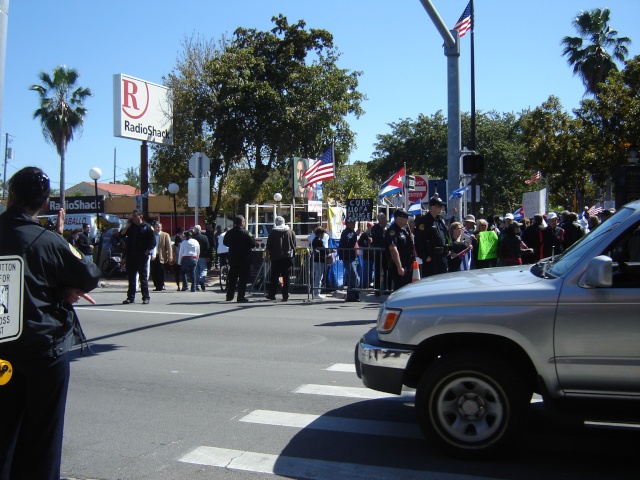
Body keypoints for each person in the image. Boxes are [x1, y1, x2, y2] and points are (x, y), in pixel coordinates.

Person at [0, 166, 101, 480]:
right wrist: (62, 287)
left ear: (10, 195)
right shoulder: (48, 240)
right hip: (44, 352)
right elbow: (89, 273)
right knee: (44, 435)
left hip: (4, 355)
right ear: (43, 204)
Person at [120, 209, 156, 304]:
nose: (133, 218)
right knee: (131, 278)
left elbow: (153, 242)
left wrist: (147, 251)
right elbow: (122, 234)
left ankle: (145, 297)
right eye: (132, 216)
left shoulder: (147, 227)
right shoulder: (131, 227)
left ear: (140, 216)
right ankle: (130, 297)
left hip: (142, 256)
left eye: (135, 216)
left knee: (143, 278)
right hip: (131, 256)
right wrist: (127, 226)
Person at [415, 196, 451, 277]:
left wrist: (449, 249)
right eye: (440, 207)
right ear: (433, 207)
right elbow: (419, 240)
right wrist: (425, 256)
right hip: (431, 258)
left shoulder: (439, 221)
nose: (441, 209)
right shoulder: (423, 221)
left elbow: (446, 236)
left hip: (442, 257)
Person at [223, 215, 255, 303]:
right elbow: (252, 244)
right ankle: (241, 297)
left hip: (233, 258)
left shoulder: (229, 233)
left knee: (232, 278)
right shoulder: (246, 233)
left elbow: (225, 242)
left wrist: (233, 246)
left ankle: (229, 296)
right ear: (242, 222)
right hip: (244, 259)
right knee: (242, 279)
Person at [265, 216, 297, 301]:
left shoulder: (273, 232)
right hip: (287, 258)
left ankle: (272, 294)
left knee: (274, 277)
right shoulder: (290, 231)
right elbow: (294, 245)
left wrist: (267, 256)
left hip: (275, 257)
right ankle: (285, 295)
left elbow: (269, 246)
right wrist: (293, 256)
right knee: (286, 277)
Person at [385, 209, 414, 291]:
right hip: (398, 265)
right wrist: (399, 266)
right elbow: (393, 248)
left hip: (407, 263)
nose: (407, 219)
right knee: (400, 288)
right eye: (405, 217)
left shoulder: (404, 230)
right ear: (398, 218)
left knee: (406, 287)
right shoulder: (393, 231)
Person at [339, 219, 360, 302]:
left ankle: (354, 295)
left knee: (354, 277)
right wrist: (355, 235)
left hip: (353, 257)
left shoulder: (351, 232)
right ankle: (351, 295)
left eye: (354, 223)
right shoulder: (345, 233)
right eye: (352, 223)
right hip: (348, 258)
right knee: (353, 277)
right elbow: (349, 244)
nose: (354, 224)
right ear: (348, 224)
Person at [150, 222, 173, 291]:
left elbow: (169, 247)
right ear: (154, 227)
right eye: (156, 227)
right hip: (153, 256)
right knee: (153, 272)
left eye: (159, 227)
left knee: (161, 271)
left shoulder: (165, 235)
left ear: (161, 227)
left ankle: (161, 285)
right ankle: (156, 285)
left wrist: (170, 256)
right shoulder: (151, 234)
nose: (157, 228)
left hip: (161, 256)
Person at [370, 212, 389, 295]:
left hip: (386, 252)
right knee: (378, 271)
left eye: (385, 218)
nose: (385, 220)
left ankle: (386, 288)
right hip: (378, 252)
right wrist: (381, 230)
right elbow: (375, 238)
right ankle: (377, 289)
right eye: (383, 218)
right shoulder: (375, 228)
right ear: (379, 219)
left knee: (386, 271)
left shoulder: (388, 227)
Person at [311, 225, 330, 300]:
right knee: (319, 277)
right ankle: (316, 293)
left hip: (316, 260)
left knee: (317, 276)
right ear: (319, 234)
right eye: (322, 234)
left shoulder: (314, 240)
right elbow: (324, 250)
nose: (323, 236)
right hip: (319, 260)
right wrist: (330, 251)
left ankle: (316, 292)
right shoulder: (319, 241)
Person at [191, 225, 210, 291]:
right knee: (203, 269)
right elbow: (208, 247)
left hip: (195, 256)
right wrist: (208, 256)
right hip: (203, 256)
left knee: (196, 271)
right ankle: (201, 279)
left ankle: (197, 285)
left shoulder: (193, 238)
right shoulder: (204, 237)